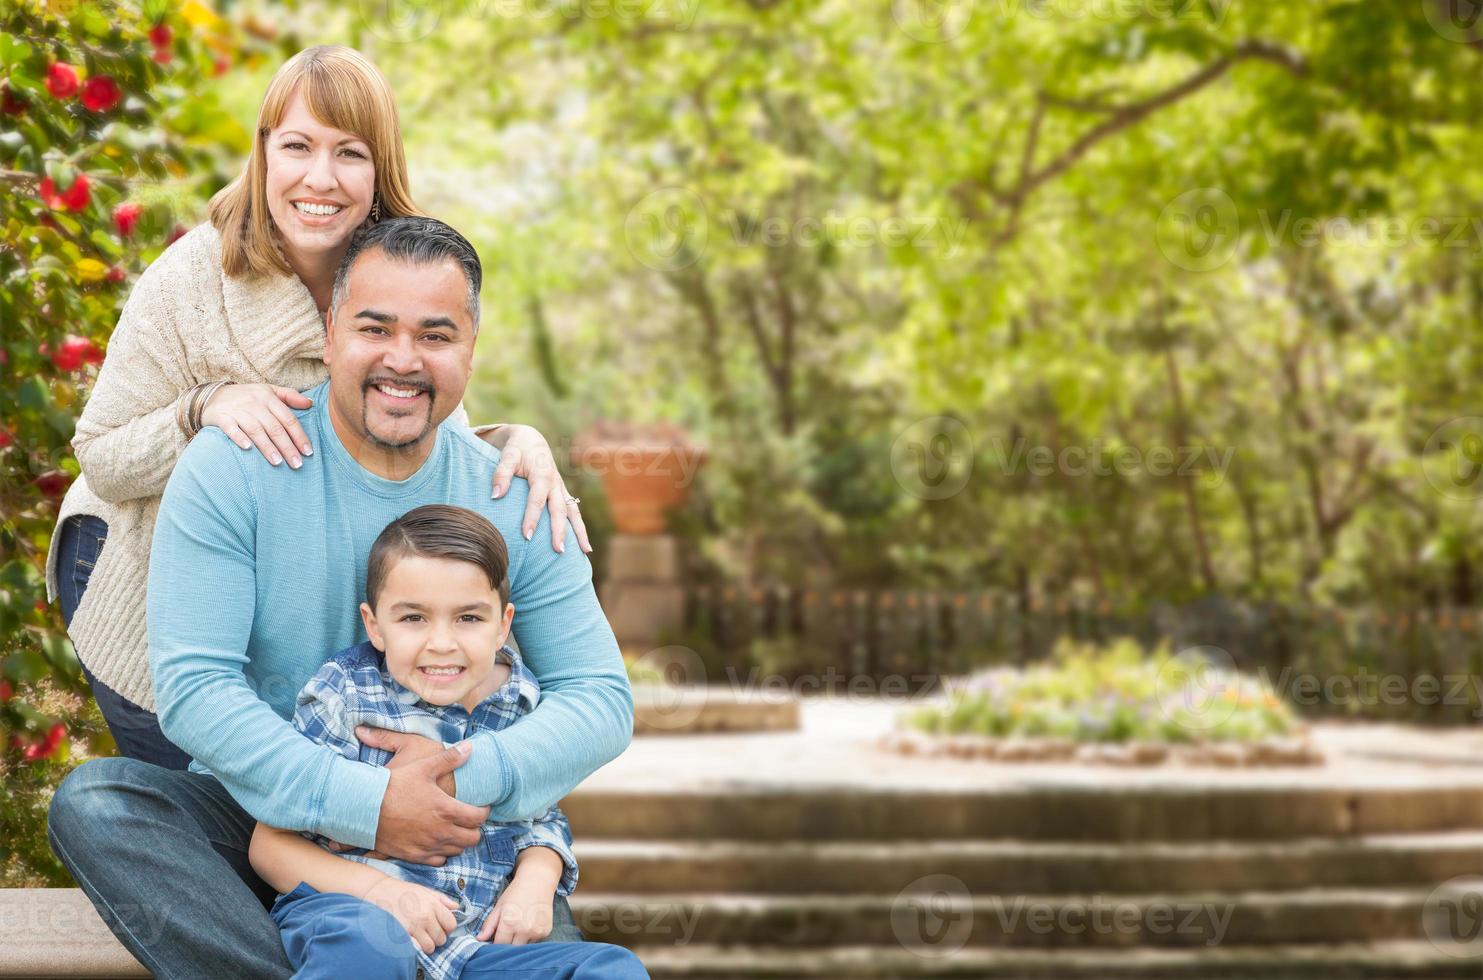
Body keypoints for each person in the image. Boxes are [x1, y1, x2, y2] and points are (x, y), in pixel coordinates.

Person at [47, 215, 633, 978]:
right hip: (266, 811)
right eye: (375, 328)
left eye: (435, 334)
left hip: (455, 828)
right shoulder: (236, 463)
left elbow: (599, 699)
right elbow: (197, 693)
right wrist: (366, 801)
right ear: (329, 332)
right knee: (101, 804)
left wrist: (458, 777)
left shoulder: (511, 489)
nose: (402, 359)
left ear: (470, 348)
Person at [46, 45, 591, 770]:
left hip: (286, 588)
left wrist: (513, 438)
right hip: (134, 566)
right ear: (265, 153)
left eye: (350, 153)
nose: (320, 178)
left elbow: (416, 415)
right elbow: (104, 457)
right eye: (297, 146)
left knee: (307, 801)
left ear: (380, 169)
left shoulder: (402, 267)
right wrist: (200, 408)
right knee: (211, 809)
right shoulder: (189, 280)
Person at [250, 504, 647, 979]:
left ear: (503, 624)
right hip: (355, 914)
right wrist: (383, 894)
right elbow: (270, 843)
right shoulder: (346, 693)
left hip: (473, 944)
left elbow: (541, 817)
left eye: (468, 618)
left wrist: (536, 883)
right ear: (374, 624)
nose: (442, 642)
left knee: (611, 968)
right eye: (414, 618)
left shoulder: (520, 702)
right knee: (368, 953)